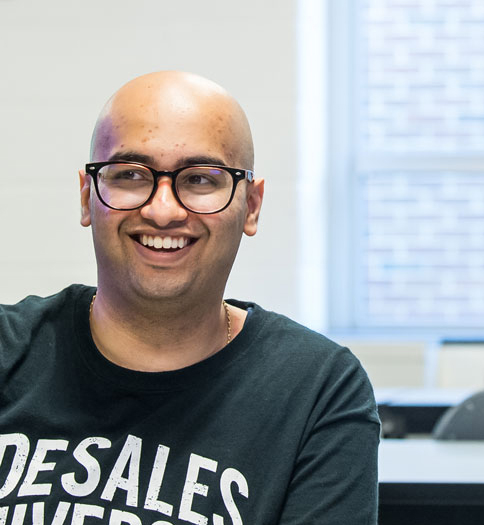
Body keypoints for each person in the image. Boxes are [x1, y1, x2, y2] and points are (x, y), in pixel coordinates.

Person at [0, 71, 379, 524]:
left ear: (251, 206)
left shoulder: (317, 389)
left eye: (201, 179)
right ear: (87, 195)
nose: (162, 210)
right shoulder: (9, 352)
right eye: (131, 175)